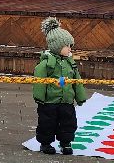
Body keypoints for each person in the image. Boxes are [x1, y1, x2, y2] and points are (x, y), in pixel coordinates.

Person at [33, 16, 86, 155]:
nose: (69, 49)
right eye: (67, 46)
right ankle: (45, 143)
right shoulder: (47, 63)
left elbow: (77, 80)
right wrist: (39, 97)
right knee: (47, 123)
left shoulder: (70, 63)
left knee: (68, 123)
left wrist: (80, 97)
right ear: (56, 46)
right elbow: (39, 78)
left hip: (67, 101)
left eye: (70, 46)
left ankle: (66, 142)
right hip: (50, 101)